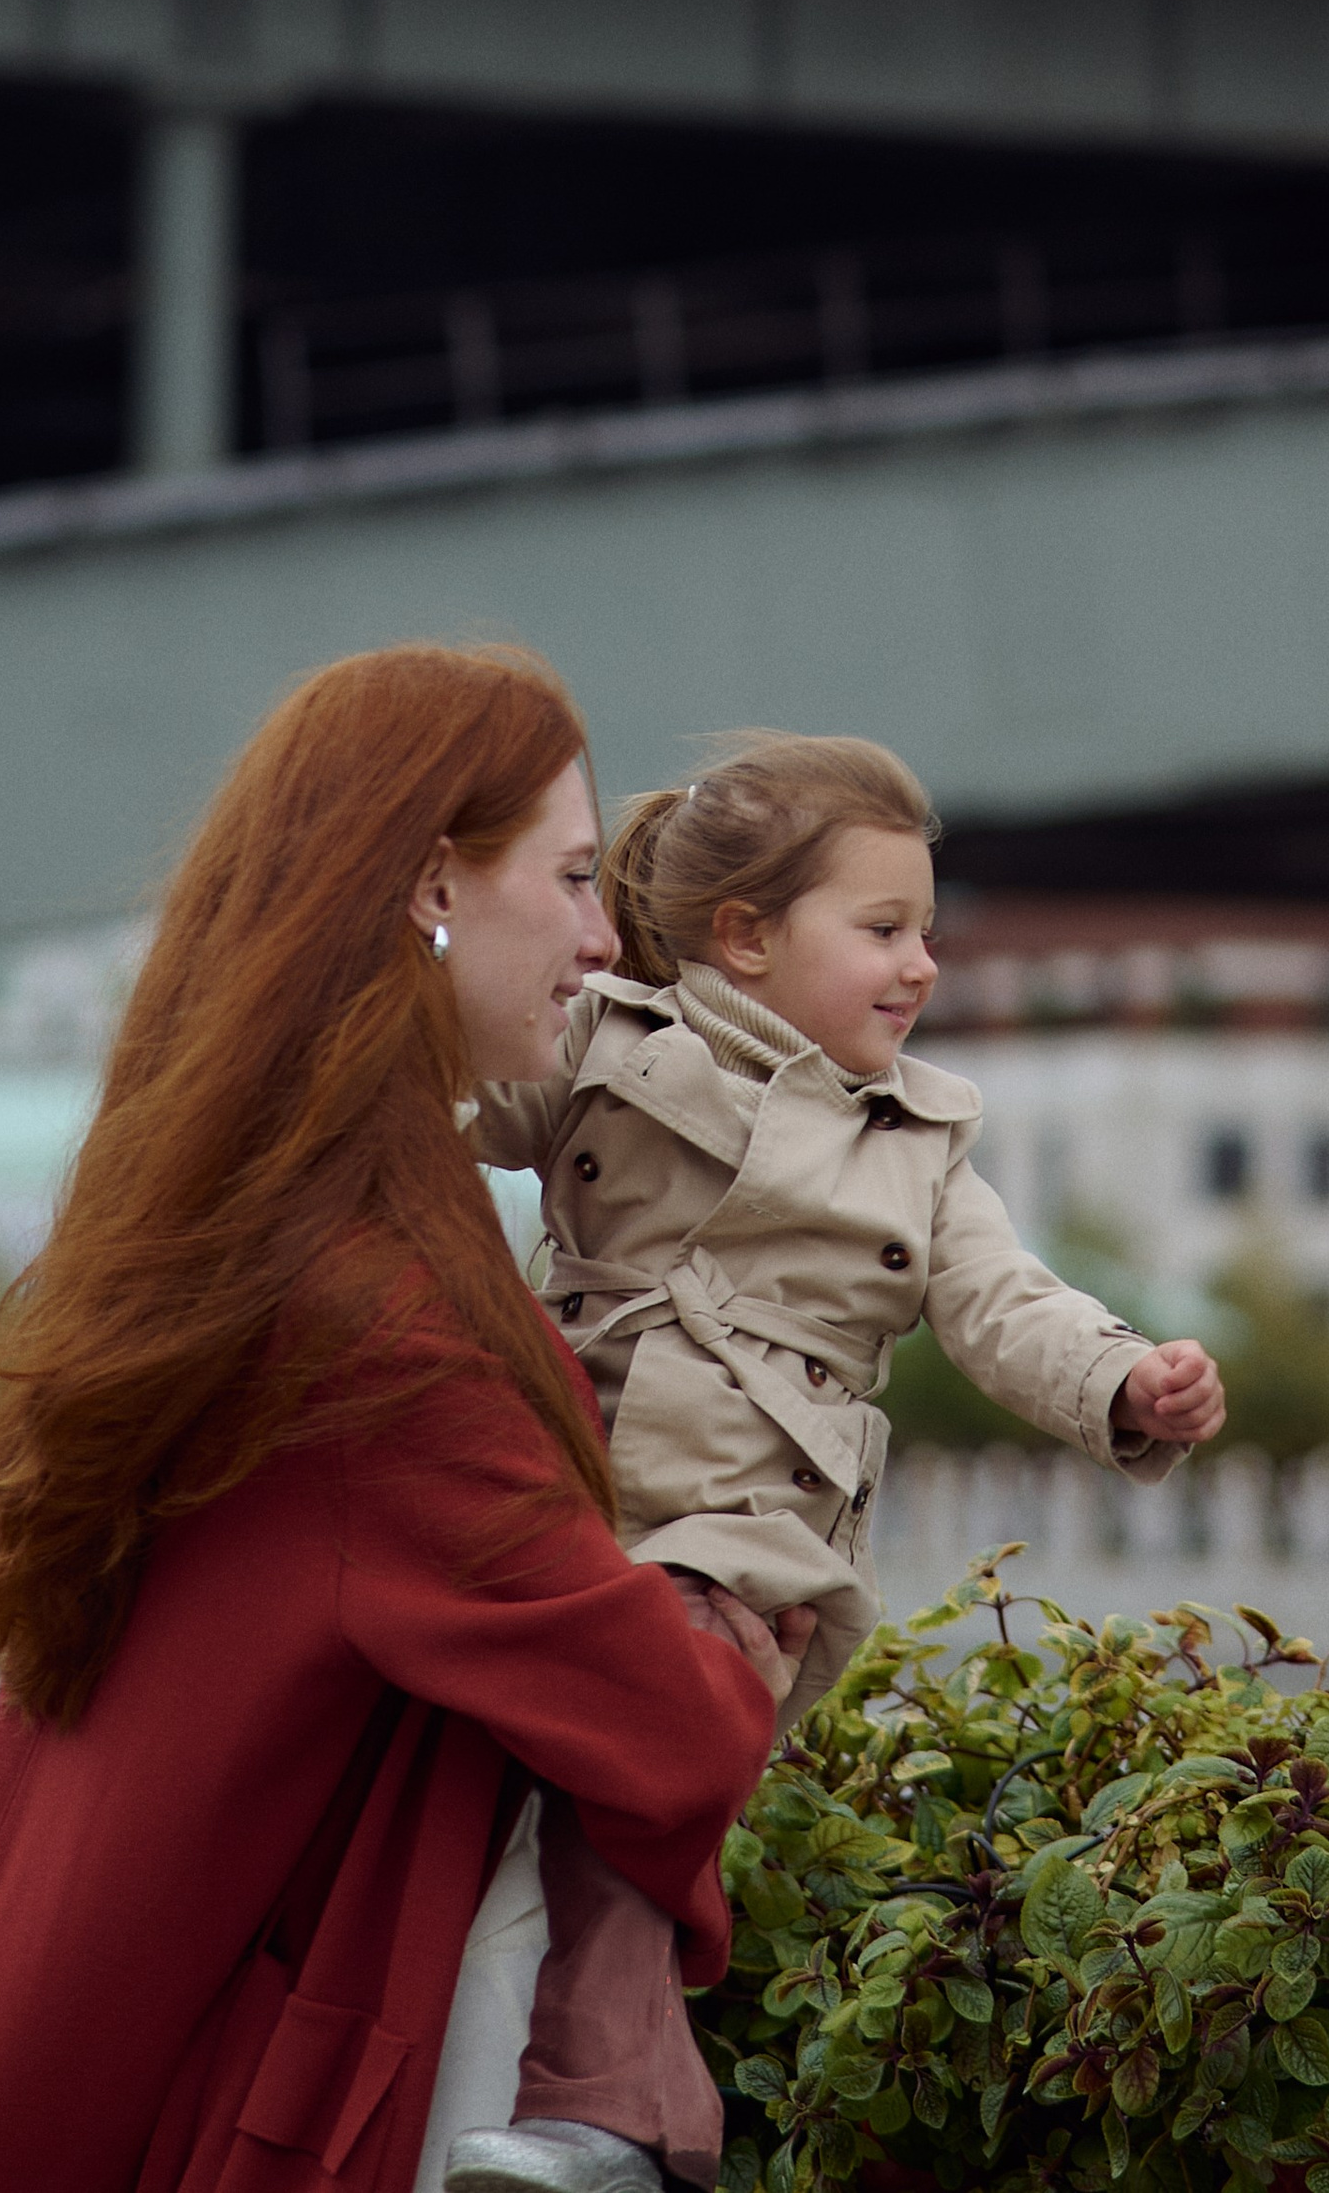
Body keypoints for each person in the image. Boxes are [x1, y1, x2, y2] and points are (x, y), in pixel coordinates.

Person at [0, 644, 811, 2193]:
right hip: (224, 2129)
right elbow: (670, 1737)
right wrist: (733, 1638)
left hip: (66, 2089)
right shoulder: (381, 1335)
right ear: (433, 883)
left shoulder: (249, 1242)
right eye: (573, 878)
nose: (604, 937)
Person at [445, 732, 1227, 2193]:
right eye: (882, 929)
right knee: (506, 1792)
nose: (921, 965)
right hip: (565, 1479)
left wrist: (1123, 1377)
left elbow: (1004, 1304)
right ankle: (610, 2120)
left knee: (648, 1739)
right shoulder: (605, 1044)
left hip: (749, 1523)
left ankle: (593, 2108)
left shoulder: (920, 1139)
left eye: (925, 931)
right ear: (746, 937)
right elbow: (450, 1101)